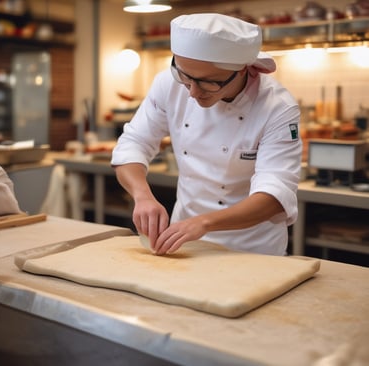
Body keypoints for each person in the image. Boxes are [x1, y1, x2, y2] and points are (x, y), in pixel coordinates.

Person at [111, 13, 302, 256]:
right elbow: (134, 143)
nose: (192, 92)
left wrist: (204, 223)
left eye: (208, 82)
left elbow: (275, 195)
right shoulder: (168, 84)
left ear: (243, 70)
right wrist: (143, 196)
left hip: (251, 249)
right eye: (185, 77)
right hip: (185, 243)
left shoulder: (276, 108)